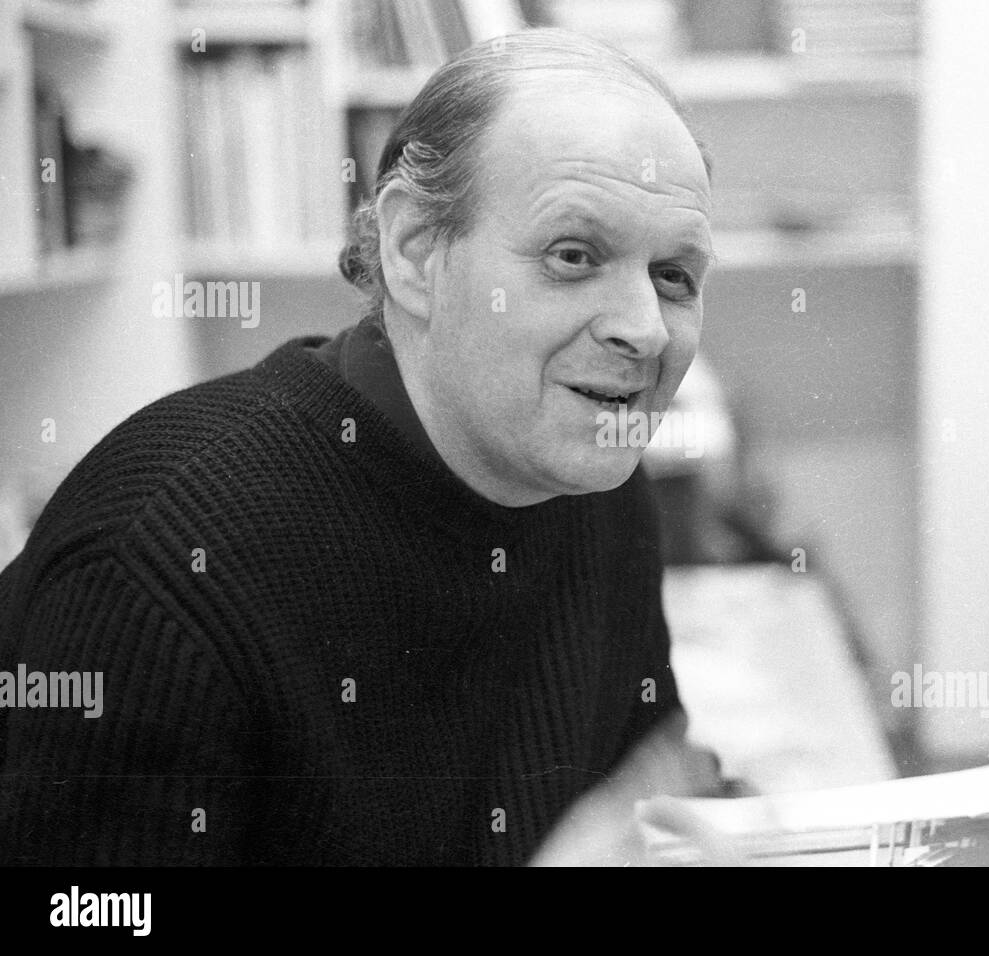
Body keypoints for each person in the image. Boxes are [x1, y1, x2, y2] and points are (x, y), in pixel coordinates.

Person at [0, 28, 718, 866]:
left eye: (674, 275)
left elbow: (634, 806)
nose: (641, 329)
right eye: (572, 255)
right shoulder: (162, 554)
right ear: (414, 251)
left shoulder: (603, 487)